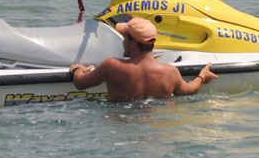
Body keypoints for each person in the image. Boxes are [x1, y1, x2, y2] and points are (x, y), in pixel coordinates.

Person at [69, 17, 218, 101]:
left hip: (122, 126)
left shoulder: (112, 66)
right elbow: (190, 90)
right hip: (157, 129)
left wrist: (77, 69)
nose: (122, 42)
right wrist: (202, 76)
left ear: (133, 42)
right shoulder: (170, 73)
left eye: (124, 37)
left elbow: (80, 83)